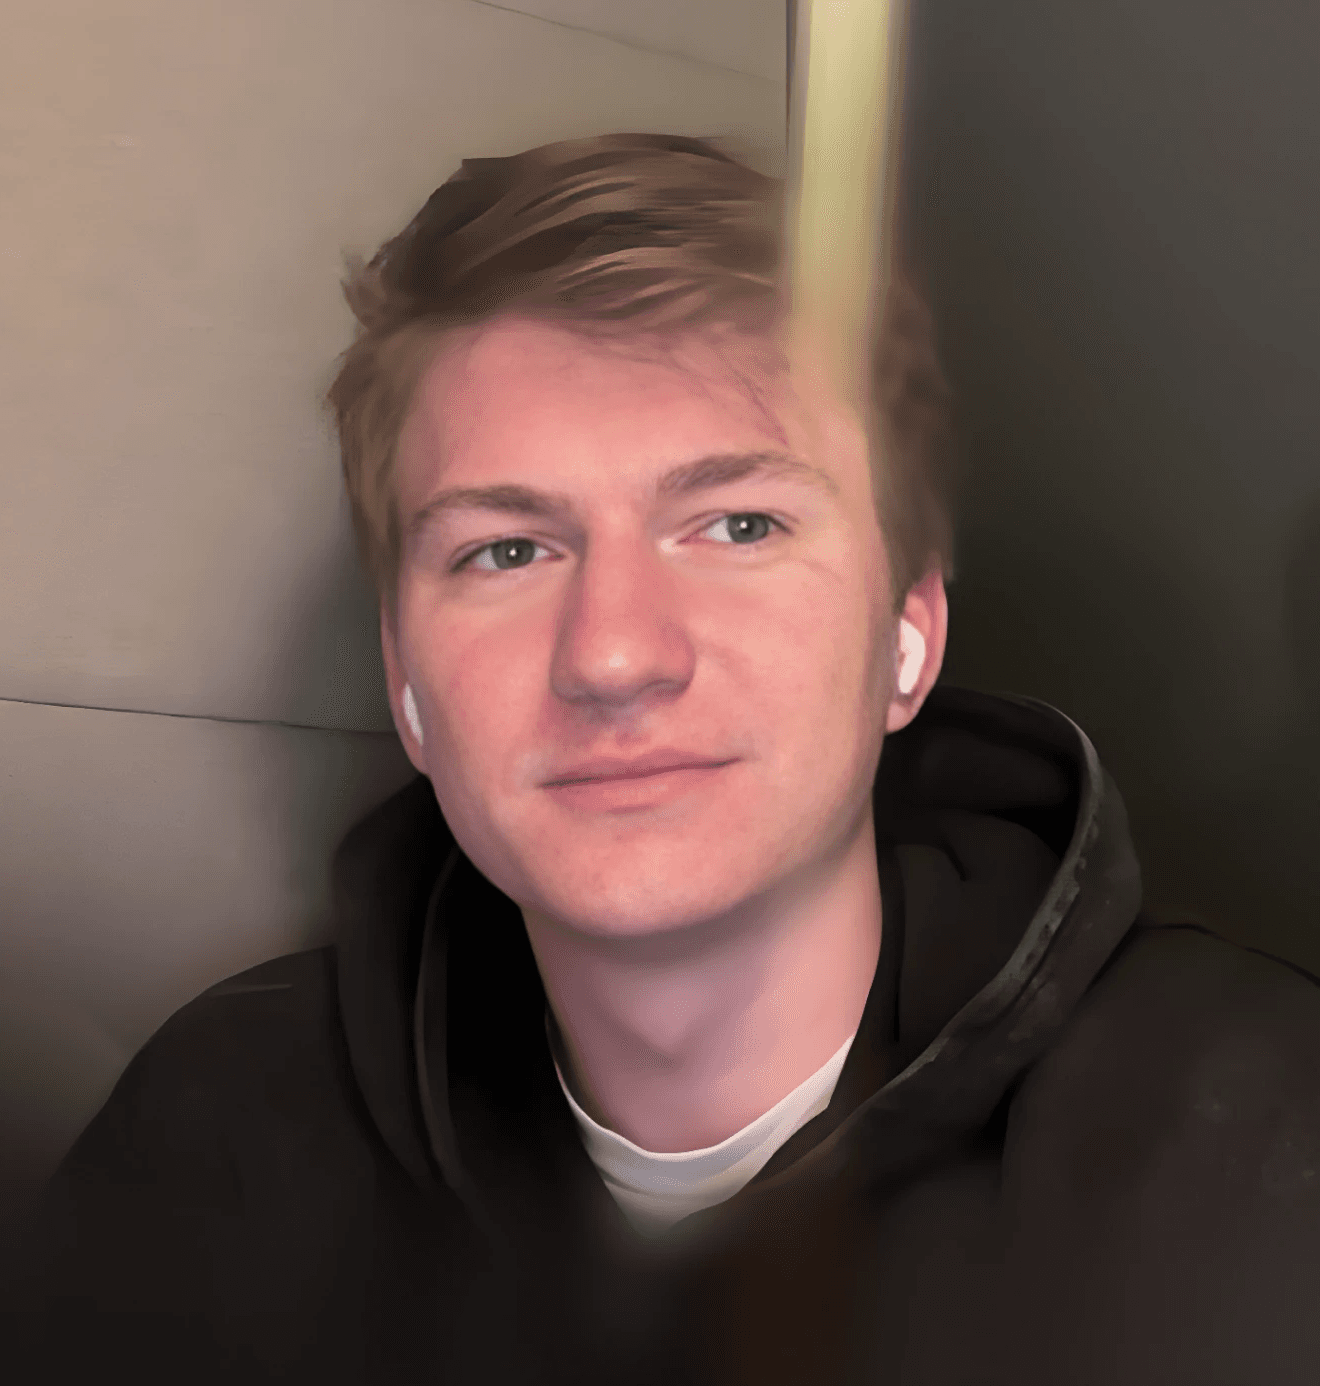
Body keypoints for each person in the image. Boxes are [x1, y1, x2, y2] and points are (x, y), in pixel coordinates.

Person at [6, 133, 1319, 1386]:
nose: (616, 653)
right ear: (405, 686)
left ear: (909, 637)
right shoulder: (218, 1144)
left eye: (738, 525)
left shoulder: (1264, 1159)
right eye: (507, 551)